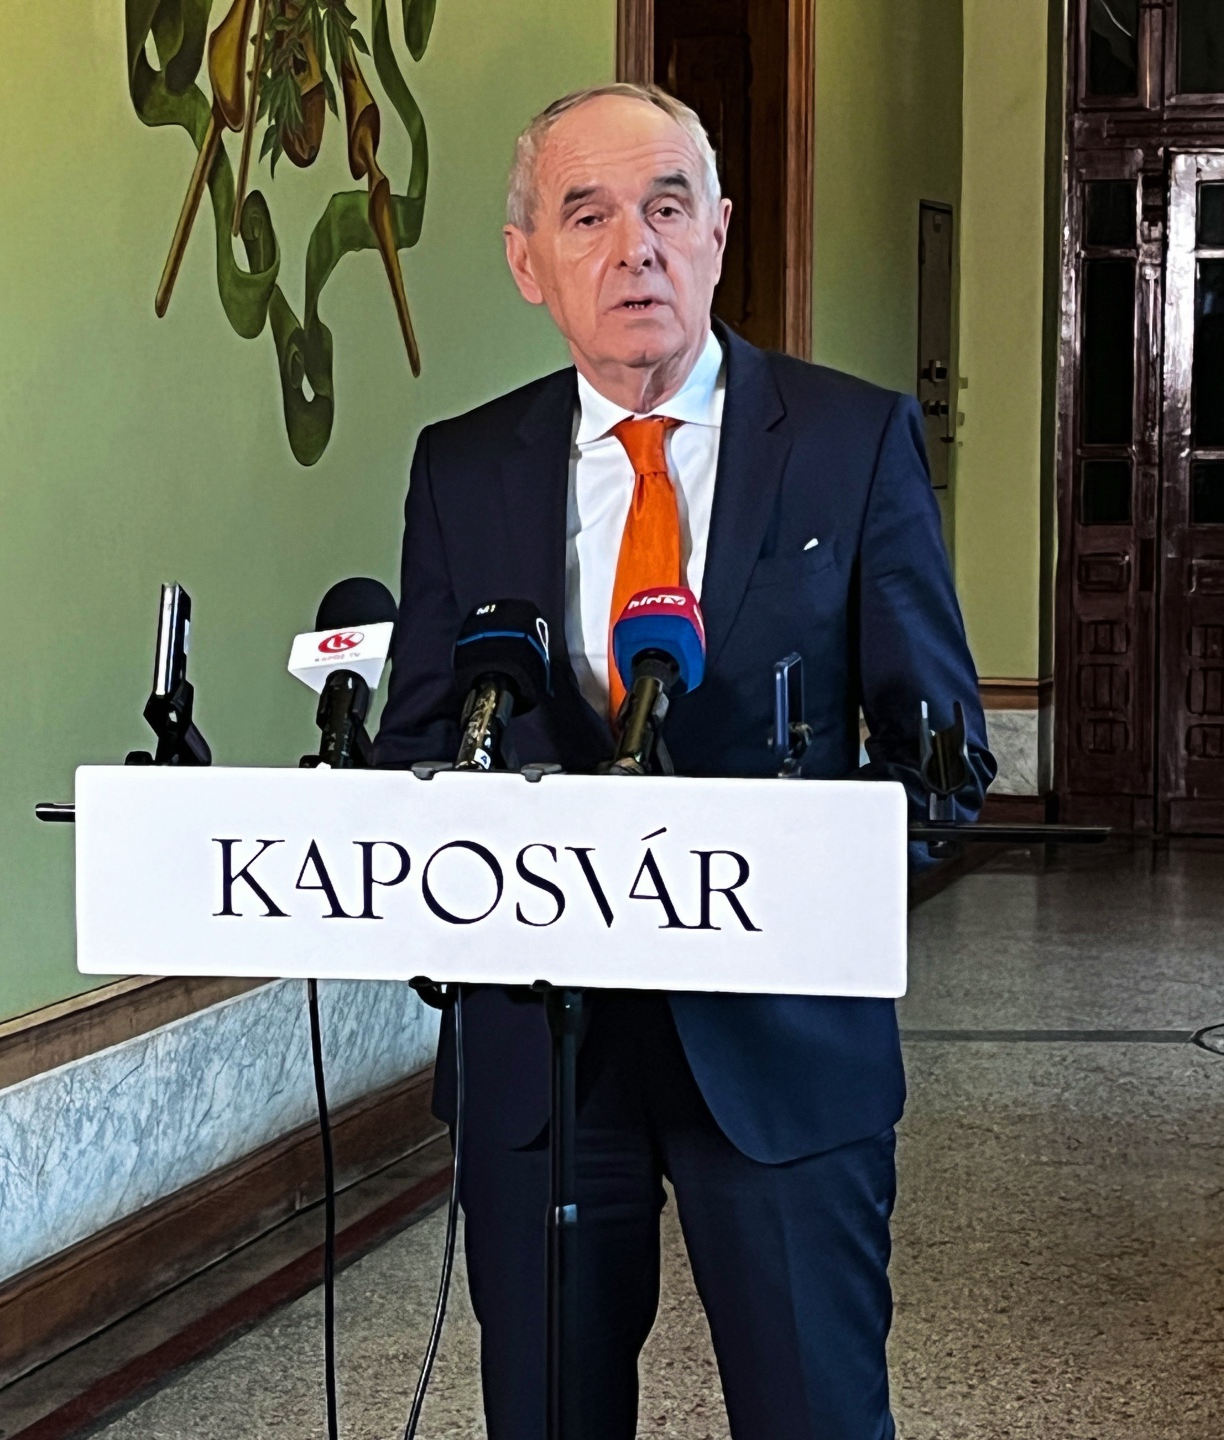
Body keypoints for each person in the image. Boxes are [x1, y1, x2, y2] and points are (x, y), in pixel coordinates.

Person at [374, 83, 993, 1440]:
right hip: (545, 1057)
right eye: (587, 215)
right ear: (529, 262)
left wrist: (808, 888)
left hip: (782, 1049)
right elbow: (417, 743)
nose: (635, 248)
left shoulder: (851, 442)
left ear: (718, 233)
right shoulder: (462, 468)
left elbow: (943, 761)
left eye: (666, 208)